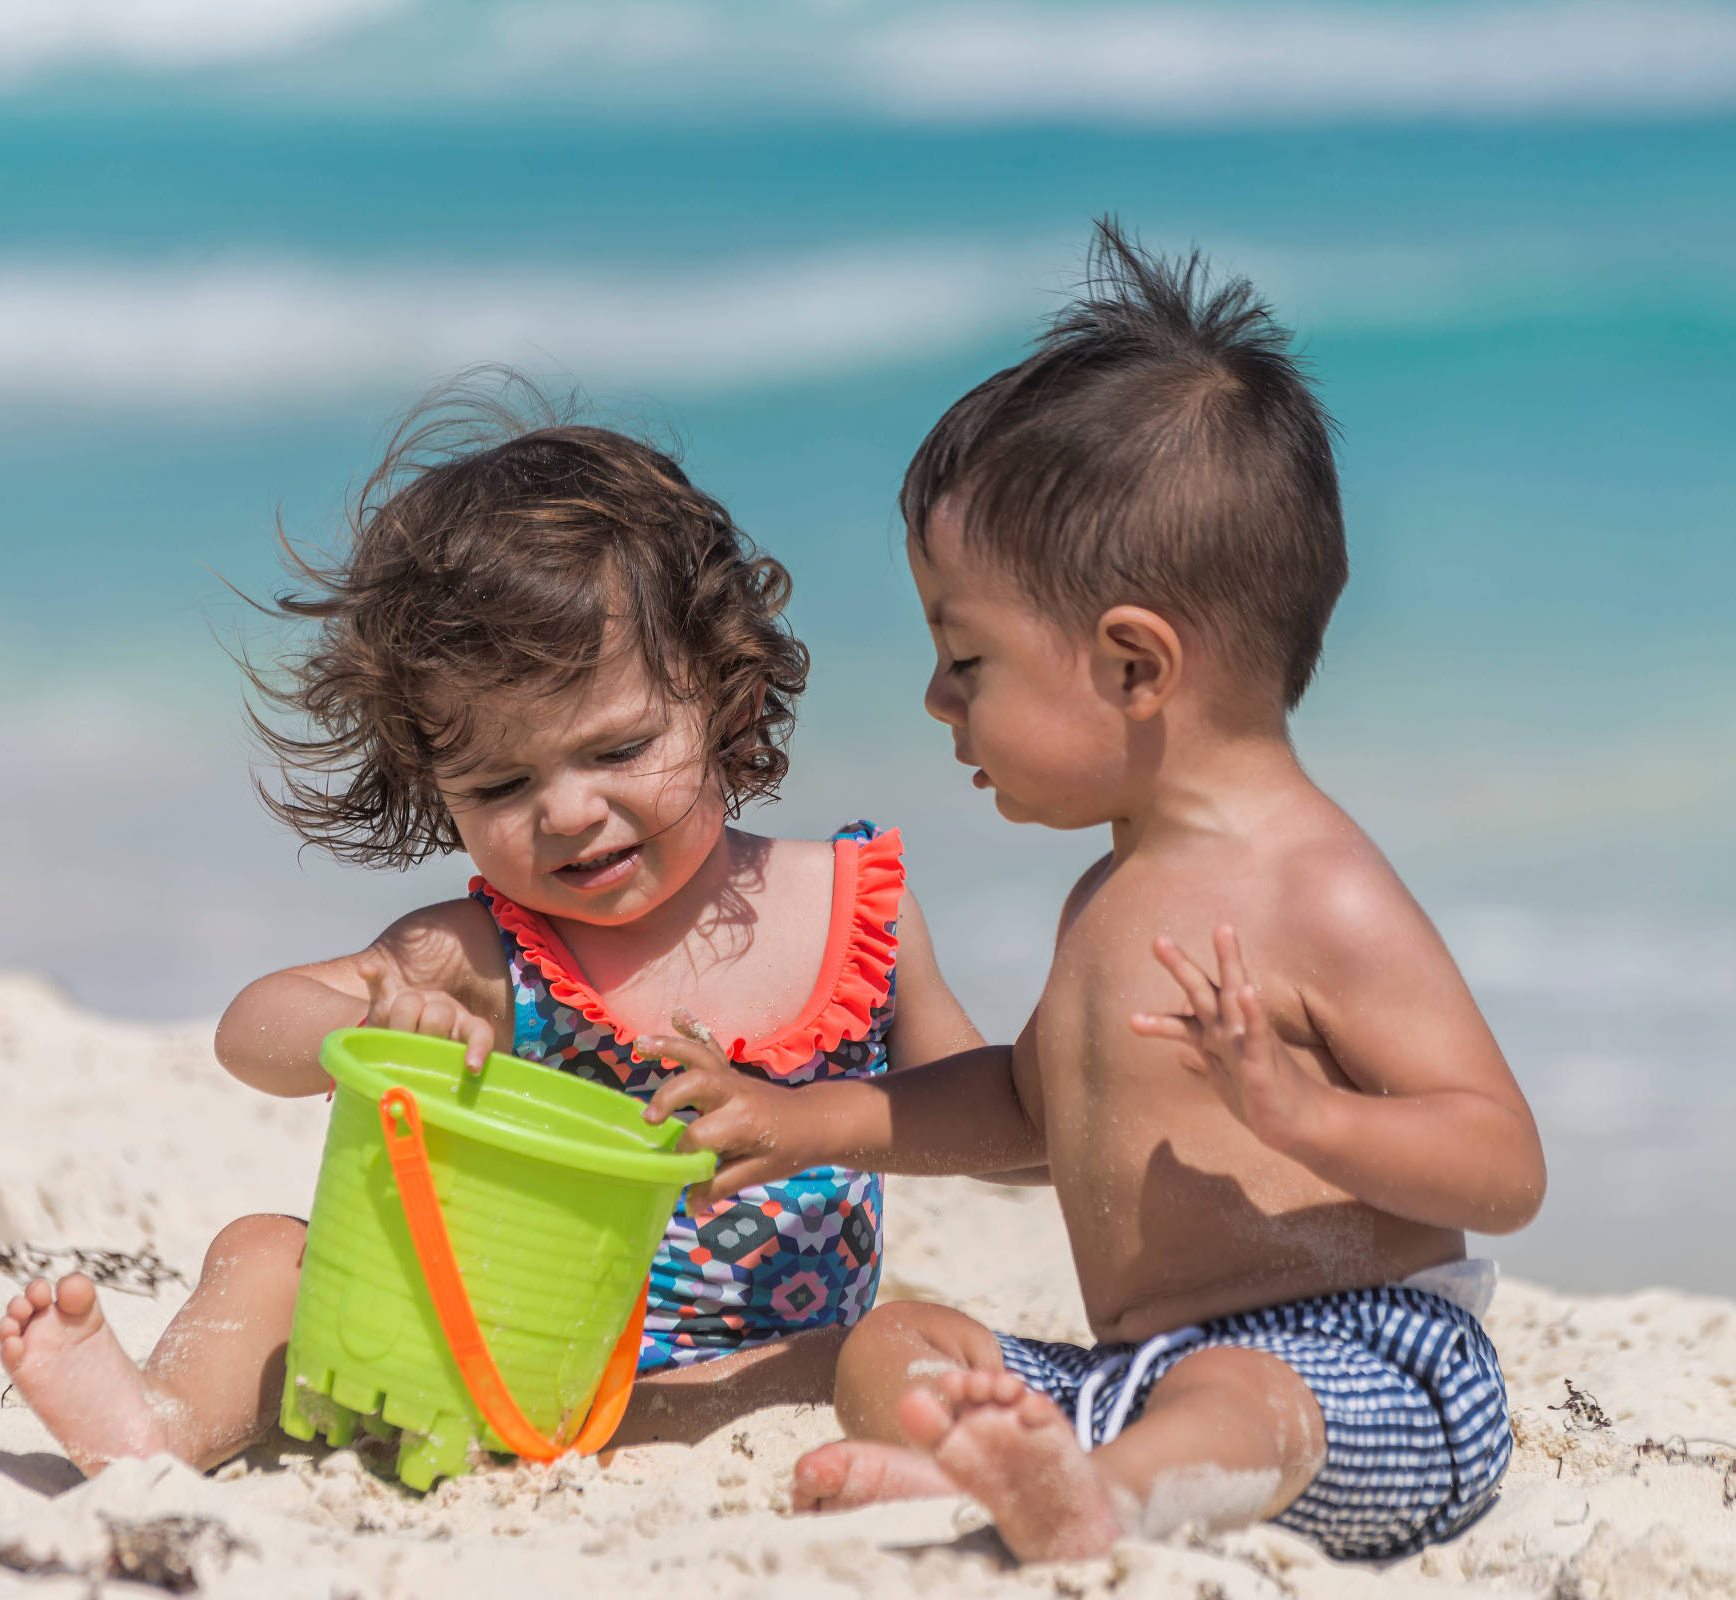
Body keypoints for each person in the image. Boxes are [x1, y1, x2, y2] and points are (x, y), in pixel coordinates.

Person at [638, 223, 1547, 1562]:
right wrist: (805, 1116)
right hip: (1147, 1378)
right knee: (899, 1340)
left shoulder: (1318, 891)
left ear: (1134, 667)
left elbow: (1502, 1160)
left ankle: (1103, 1497)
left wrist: (1305, 1115)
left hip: (1369, 1376)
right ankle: (1034, 1479)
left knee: (1233, 1397)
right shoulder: (1105, 900)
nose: (938, 700)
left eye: (968, 660)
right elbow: (1025, 1113)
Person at [0, 378, 982, 1473]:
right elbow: (247, 1026)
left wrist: (821, 1119)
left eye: (615, 750)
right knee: (265, 1251)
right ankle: (160, 1426)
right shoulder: (487, 953)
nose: (565, 809)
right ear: (437, 791)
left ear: (725, 696)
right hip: (480, 1354)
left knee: (895, 1347)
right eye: (504, 783)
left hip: (761, 1369)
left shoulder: (856, 920)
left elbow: (999, 1121)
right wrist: (373, 1019)